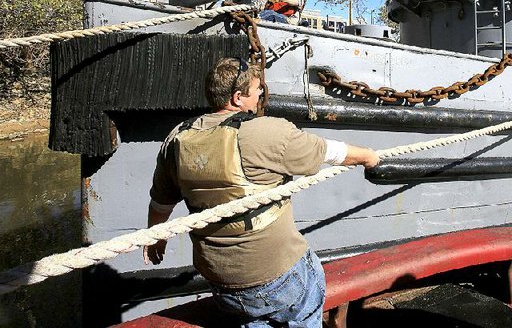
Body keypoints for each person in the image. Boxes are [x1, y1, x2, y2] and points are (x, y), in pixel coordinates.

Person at [143, 57, 379, 326]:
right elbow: (329, 152)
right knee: (307, 281)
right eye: (257, 91)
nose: (259, 97)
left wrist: (156, 238)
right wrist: (368, 157)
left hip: (222, 285)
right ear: (237, 97)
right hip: (279, 278)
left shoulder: (177, 138)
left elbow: (160, 203)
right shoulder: (265, 132)